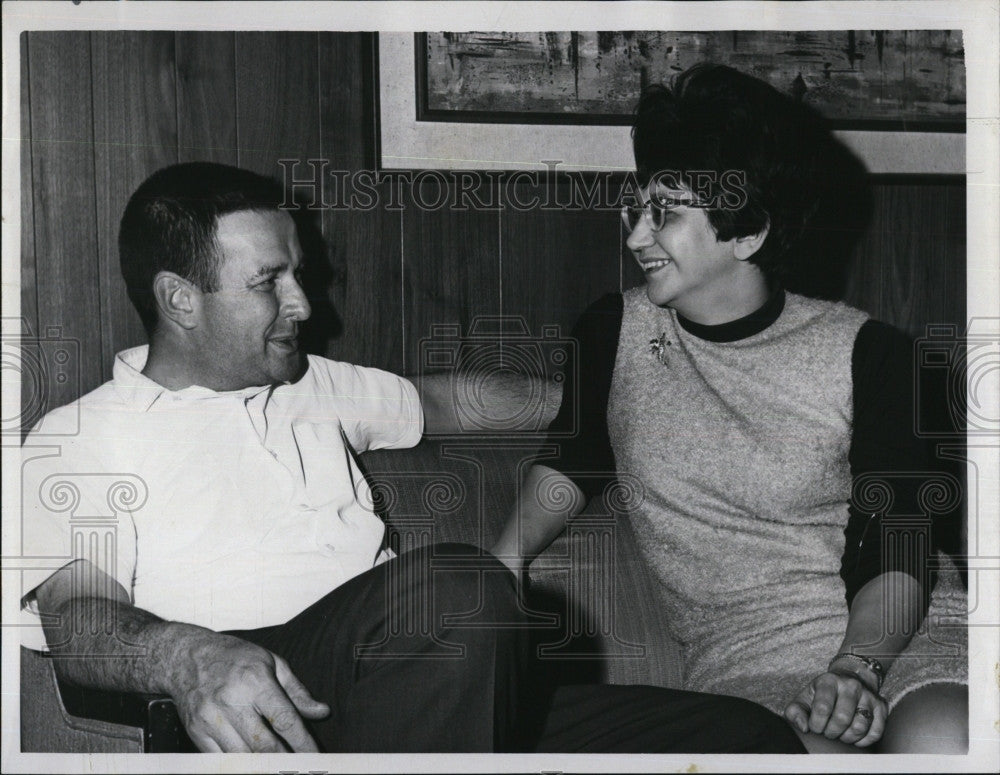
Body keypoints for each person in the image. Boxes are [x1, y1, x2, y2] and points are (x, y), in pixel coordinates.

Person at [20, 161, 805, 754]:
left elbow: (458, 401)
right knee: (461, 591)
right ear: (180, 299)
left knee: (741, 737)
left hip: (418, 688)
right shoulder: (86, 435)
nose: (304, 303)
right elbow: (78, 621)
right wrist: (188, 657)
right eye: (270, 281)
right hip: (258, 700)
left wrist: (626, 399)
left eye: (298, 273)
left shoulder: (312, 381)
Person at [492, 64, 969, 754]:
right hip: (747, 665)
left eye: (666, 214)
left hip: (898, 638)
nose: (635, 238)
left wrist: (854, 667)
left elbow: (896, 536)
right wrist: (498, 567)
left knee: (946, 742)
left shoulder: (874, 354)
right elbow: (573, 458)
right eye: (638, 207)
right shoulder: (613, 334)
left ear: (747, 233)